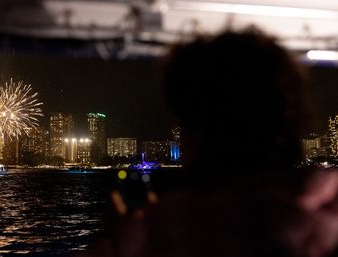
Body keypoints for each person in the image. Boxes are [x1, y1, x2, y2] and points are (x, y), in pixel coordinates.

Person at [82, 28, 338, 257]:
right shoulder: (325, 220)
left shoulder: (165, 230)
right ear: (293, 115)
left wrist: (114, 239)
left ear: (194, 132)